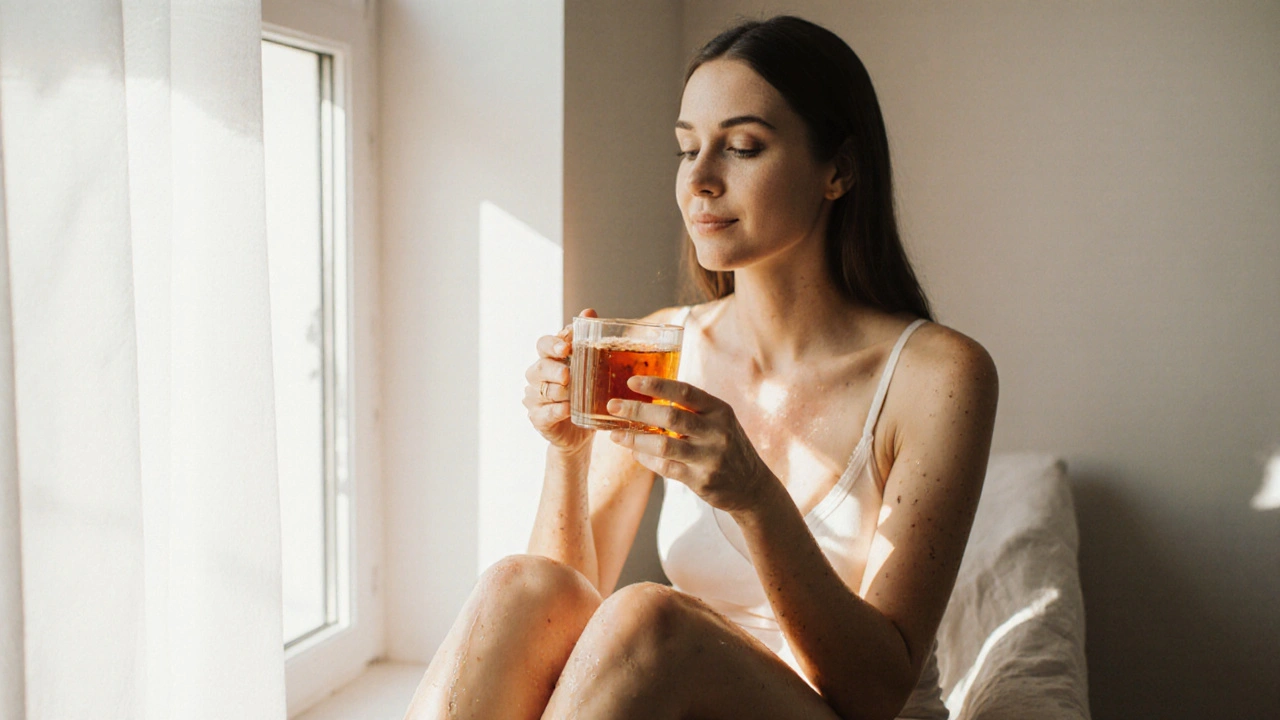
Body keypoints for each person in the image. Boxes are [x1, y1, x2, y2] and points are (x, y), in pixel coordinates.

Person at [404, 15, 997, 720]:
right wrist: (567, 453)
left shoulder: (939, 376)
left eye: (742, 147)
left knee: (652, 622)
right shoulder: (661, 345)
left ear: (838, 170)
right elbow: (558, 615)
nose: (700, 181)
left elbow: (874, 693)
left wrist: (756, 499)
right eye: (688, 150)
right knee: (517, 585)